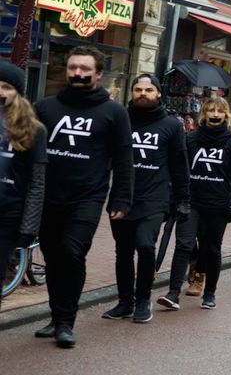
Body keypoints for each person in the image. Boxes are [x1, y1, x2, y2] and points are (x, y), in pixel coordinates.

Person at [34, 46, 134, 348]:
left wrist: (121, 199)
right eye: (73, 68)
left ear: (99, 74)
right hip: (48, 196)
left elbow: (123, 158)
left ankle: (67, 322)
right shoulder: (46, 107)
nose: (78, 73)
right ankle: (55, 316)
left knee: (71, 252)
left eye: (85, 69)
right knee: (52, 258)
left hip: (87, 198)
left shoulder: (114, 112)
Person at [102, 74, 190, 323]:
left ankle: (143, 299)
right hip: (122, 196)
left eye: (148, 90)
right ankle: (124, 302)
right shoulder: (121, 121)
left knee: (145, 245)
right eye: (138, 89)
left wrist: (183, 199)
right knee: (123, 251)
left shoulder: (172, 125)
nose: (143, 93)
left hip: (155, 197)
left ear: (158, 93)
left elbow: (180, 165)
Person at [157, 97, 231, 309]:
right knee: (184, 245)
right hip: (191, 201)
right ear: (204, 114)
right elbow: (179, 168)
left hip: (218, 204)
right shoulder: (192, 138)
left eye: (219, 111)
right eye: (210, 111)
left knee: (211, 249)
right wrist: (174, 196)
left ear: (225, 115)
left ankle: (210, 294)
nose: (215, 115)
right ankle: (173, 293)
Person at [0, 62, 47, 311]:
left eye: (6, 87)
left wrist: (29, 226)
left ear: (18, 93)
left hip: (7, 214)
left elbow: (37, 182)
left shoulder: (33, 130)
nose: (0, 92)